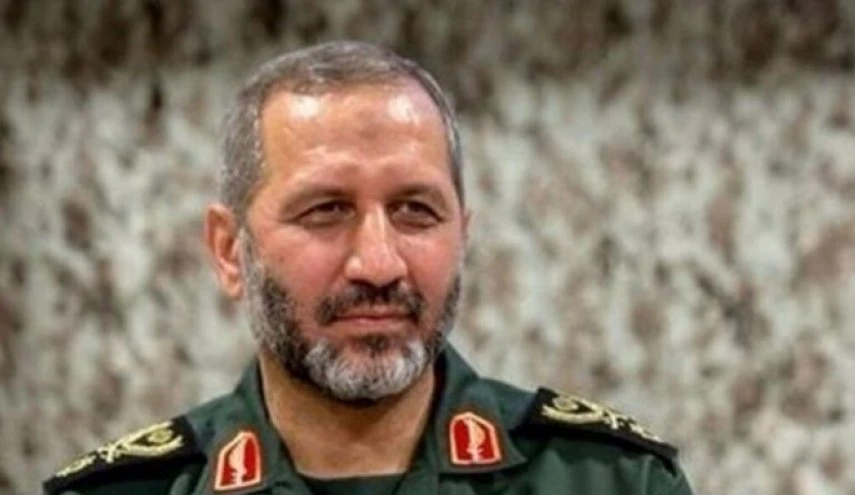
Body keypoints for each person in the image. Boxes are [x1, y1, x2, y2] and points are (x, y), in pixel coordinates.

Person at [44, 40, 694, 495]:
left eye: (415, 210)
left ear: (462, 235)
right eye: (326, 211)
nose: (379, 264)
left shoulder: (613, 481)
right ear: (228, 250)